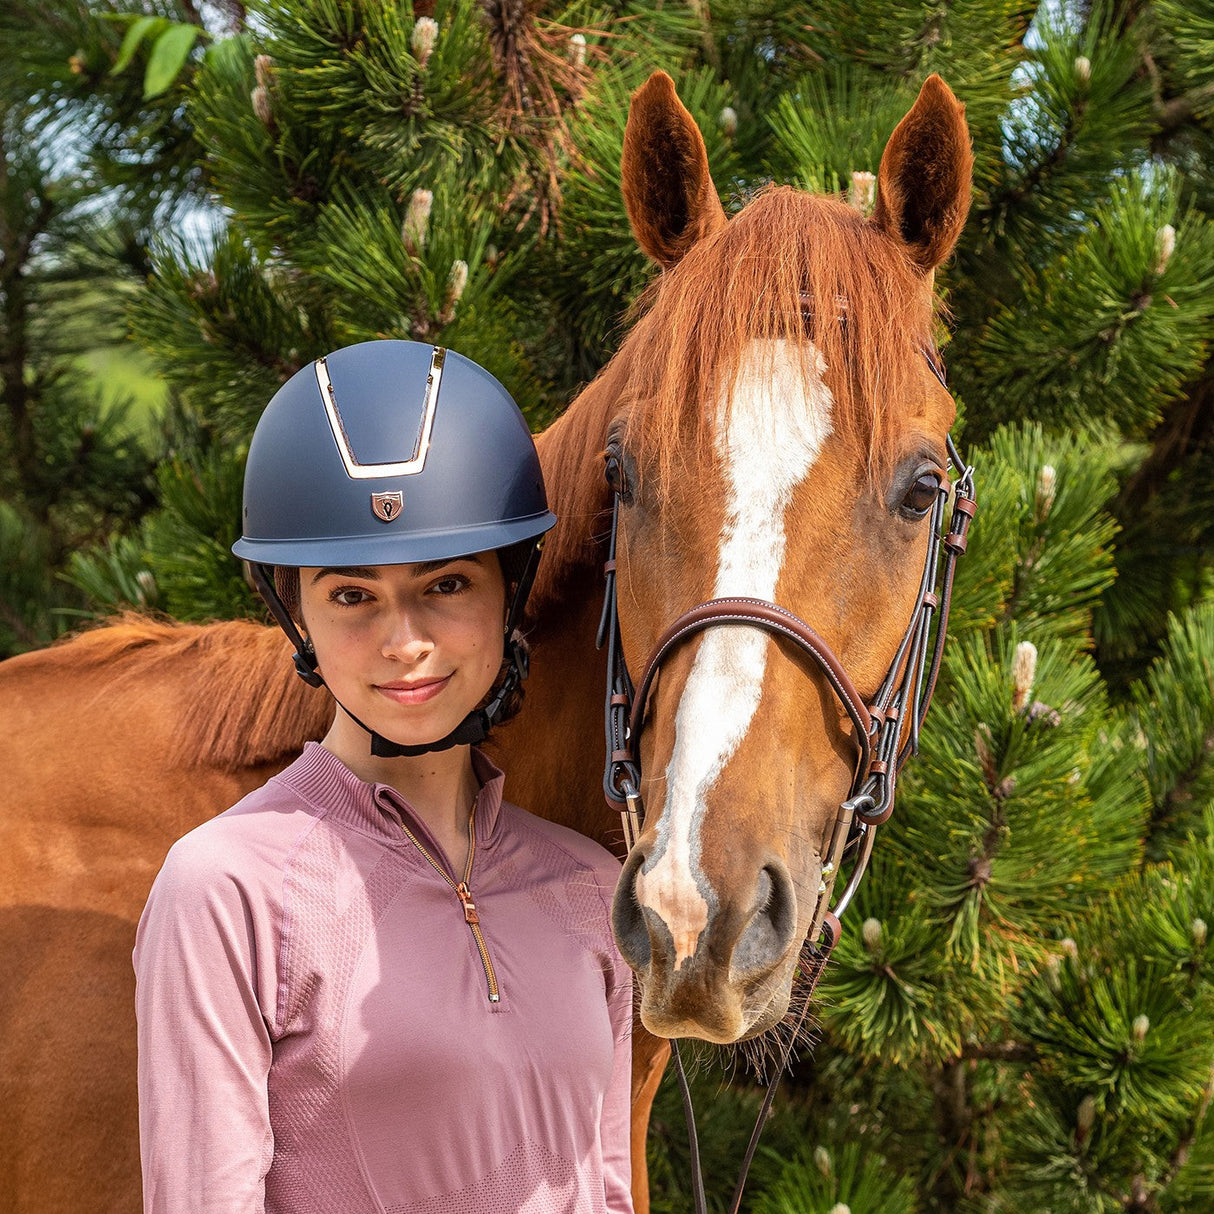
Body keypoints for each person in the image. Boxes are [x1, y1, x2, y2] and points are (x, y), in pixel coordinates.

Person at [133, 340, 634, 1213]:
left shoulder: (593, 889)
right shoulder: (227, 889)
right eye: (352, 596)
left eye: (445, 583)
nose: (404, 641)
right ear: (296, 613)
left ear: (509, 593)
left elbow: (609, 1190)